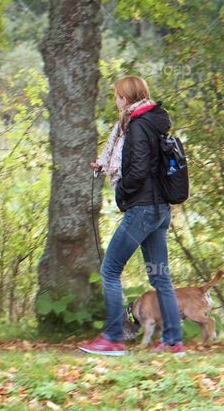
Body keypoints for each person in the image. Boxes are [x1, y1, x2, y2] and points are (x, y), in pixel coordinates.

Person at [79, 75, 184, 356]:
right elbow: (144, 163)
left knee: (110, 270)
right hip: (160, 208)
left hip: (143, 209)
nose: (115, 102)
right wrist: (106, 167)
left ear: (125, 99)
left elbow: (137, 171)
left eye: (116, 97)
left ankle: (113, 338)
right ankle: (174, 342)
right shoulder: (153, 122)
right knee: (160, 277)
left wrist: (122, 190)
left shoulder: (136, 126)